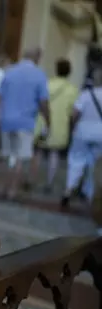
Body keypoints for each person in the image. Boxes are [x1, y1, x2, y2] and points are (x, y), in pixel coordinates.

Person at [0, 47, 51, 199]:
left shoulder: (9, 72)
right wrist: (48, 121)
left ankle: (1, 188)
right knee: (19, 157)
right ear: (37, 58)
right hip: (25, 122)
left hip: (6, 120)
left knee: (6, 155)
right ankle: (12, 191)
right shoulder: (39, 75)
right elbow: (43, 101)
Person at [30, 59, 78, 193]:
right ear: (69, 72)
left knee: (37, 152)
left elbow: (39, 102)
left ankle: (32, 180)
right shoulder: (72, 90)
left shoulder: (47, 84)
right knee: (54, 155)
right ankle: (49, 183)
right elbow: (73, 111)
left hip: (43, 123)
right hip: (60, 126)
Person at [62, 67, 102, 214]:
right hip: (100, 135)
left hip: (82, 132)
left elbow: (74, 113)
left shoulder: (85, 95)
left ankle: (68, 189)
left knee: (76, 160)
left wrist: (73, 127)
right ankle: (89, 194)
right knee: (95, 165)